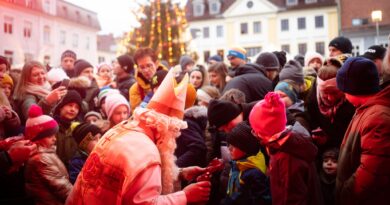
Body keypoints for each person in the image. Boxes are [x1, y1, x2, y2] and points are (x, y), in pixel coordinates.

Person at [67, 68, 210, 205]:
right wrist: (185, 196)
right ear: (165, 128)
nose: (173, 138)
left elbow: (132, 179)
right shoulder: (147, 152)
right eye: (174, 132)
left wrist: (179, 173)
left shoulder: (124, 129)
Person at [249, 92, 322, 205]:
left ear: (266, 131)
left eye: (256, 130)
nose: (253, 133)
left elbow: (291, 198)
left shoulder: (285, 157)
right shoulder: (287, 144)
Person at [335, 57, 390, 204]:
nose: (343, 95)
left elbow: (372, 173)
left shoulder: (377, 117)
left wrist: (346, 194)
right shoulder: (366, 110)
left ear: (354, 89)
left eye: (344, 90)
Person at [24, 105, 73, 205]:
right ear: (37, 138)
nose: (55, 139)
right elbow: (60, 186)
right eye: (50, 136)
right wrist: (77, 198)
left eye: (54, 135)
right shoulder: (40, 159)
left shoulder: (46, 153)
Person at [222, 121, 270, 205]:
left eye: (234, 146)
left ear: (246, 148)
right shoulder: (236, 164)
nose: (229, 148)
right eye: (229, 144)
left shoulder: (255, 174)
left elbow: (262, 201)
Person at [53, 90, 83, 167]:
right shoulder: (51, 127)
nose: (73, 109)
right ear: (60, 107)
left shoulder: (77, 130)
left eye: (77, 107)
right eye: (70, 105)